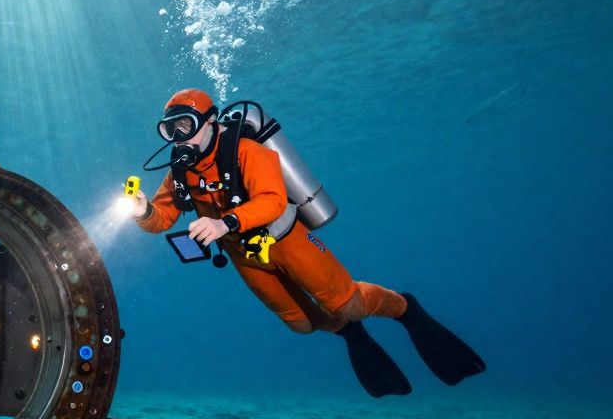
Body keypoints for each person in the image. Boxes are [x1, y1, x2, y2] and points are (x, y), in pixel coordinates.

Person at [129, 89, 484, 397]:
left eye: (185, 126)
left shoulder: (248, 152)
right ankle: (348, 333)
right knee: (301, 323)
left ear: (209, 122)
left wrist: (225, 223)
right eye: (170, 129)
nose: (178, 137)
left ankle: (405, 308)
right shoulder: (178, 171)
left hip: (286, 240)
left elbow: (271, 200)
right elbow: (161, 220)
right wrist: (144, 210)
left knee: (350, 304)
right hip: (246, 257)